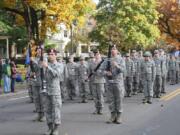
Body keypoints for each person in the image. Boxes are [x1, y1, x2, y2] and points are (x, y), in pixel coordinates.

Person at [41, 48, 63, 135]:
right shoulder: (45, 64)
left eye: (52, 54)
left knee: (56, 110)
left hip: (55, 91)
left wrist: (47, 67)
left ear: (56, 55)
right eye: (49, 54)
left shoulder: (59, 65)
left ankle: (56, 128)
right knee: (47, 110)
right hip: (46, 91)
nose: (50, 56)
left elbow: (56, 74)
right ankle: (50, 128)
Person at [105, 45, 125, 124]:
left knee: (119, 99)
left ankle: (119, 116)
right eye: (112, 49)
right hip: (110, 83)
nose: (113, 51)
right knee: (111, 100)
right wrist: (106, 72)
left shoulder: (121, 59)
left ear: (117, 51)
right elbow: (101, 70)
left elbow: (123, 70)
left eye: (114, 49)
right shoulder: (107, 60)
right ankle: (112, 115)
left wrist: (117, 65)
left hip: (118, 83)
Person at [31, 46, 45, 122]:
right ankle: (39, 114)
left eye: (40, 51)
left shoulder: (44, 59)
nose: (39, 52)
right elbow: (32, 69)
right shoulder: (34, 59)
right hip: (35, 81)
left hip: (42, 82)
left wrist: (34, 61)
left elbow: (40, 66)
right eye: (38, 51)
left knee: (42, 99)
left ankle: (43, 115)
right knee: (36, 99)